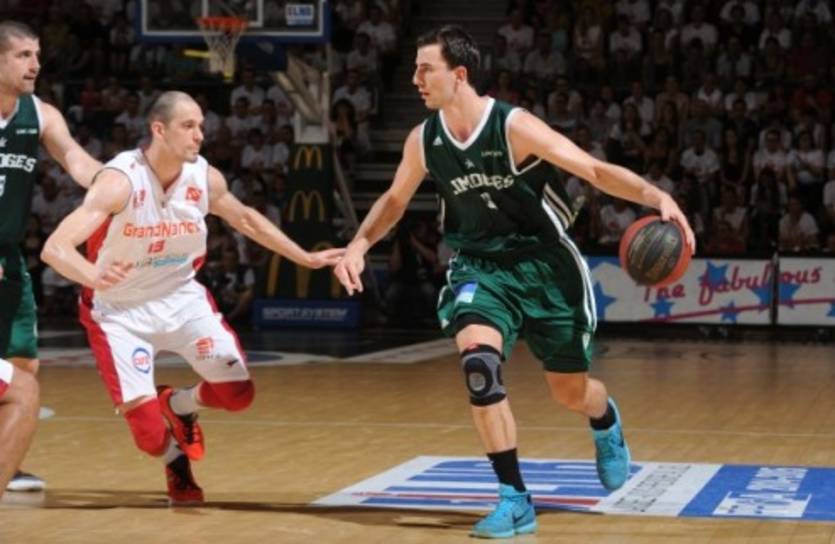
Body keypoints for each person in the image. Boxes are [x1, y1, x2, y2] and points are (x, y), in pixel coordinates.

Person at [333, 26, 696, 539]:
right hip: (480, 266)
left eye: (425, 69)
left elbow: (592, 170)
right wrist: (358, 244)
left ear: (459, 75)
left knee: (570, 392)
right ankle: (514, 497)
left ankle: (604, 419)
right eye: (414, 69)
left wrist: (657, 196)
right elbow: (394, 201)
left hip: (545, 267)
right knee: (479, 367)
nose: (415, 79)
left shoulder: (513, 126)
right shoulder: (424, 140)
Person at [41, 91, 343, 506]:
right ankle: (175, 461)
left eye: (201, 125)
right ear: (159, 130)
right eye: (189, 126)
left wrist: (304, 257)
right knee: (149, 436)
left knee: (238, 395)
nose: (200, 134)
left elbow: (247, 219)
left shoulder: (204, 177)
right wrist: (93, 275)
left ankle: (179, 403)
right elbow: (55, 248)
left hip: (181, 298)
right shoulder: (120, 181)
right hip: (118, 311)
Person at [0, 21, 103, 492]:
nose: (36, 64)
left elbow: (78, 162)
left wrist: (121, 182)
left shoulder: (40, 115)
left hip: (9, 258)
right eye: (24, 55)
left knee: (23, 364)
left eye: (37, 55)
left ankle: (8, 460)